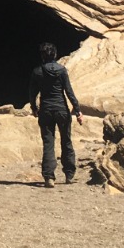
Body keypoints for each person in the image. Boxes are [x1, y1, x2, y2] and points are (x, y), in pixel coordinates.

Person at [27, 42, 83, 187]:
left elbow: (33, 93)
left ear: (42, 55)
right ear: (55, 54)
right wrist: (77, 111)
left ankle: (49, 177)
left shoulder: (37, 72)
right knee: (66, 141)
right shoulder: (62, 70)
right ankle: (69, 174)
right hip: (62, 110)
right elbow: (69, 92)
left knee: (48, 143)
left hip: (45, 110)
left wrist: (34, 107)